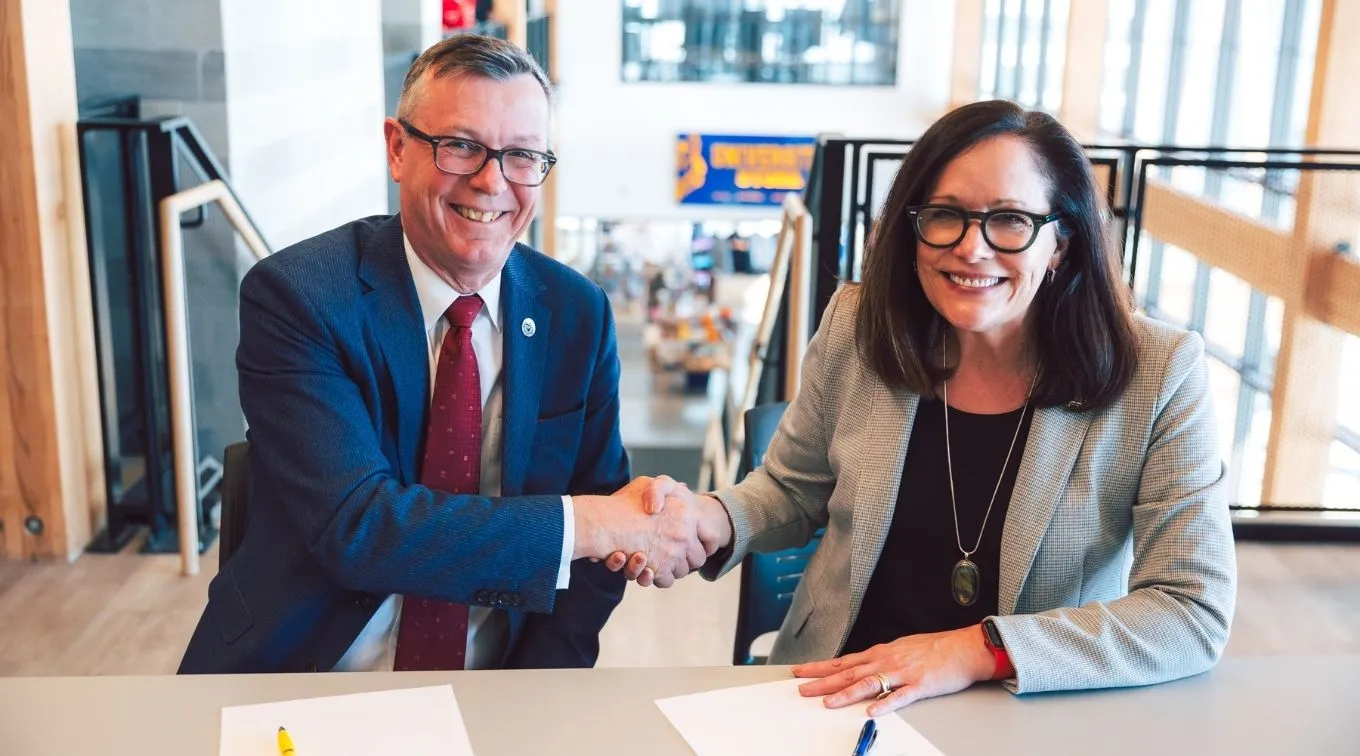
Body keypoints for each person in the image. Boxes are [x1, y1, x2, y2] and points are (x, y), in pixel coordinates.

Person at [617, 100, 1237, 712]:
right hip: (841, 685)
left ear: (1061, 243)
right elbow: (793, 487)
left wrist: (972, 650)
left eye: (1010, 220)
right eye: (946, 216)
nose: (972, 248)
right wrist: (711, 519)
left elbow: (1191, 608)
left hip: (1023, 702)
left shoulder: (1159, 372)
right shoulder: (859, 324)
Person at [179, 35, 720, 675]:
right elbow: (360, 527)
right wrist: (596, 524)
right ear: (398, 149)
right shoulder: (300, 297)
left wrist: (532, 697)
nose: (492, 181)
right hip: (306, 676)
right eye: (461, 146)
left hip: (498, 684)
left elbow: (594, 571)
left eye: (522, 155)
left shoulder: (577, 313)